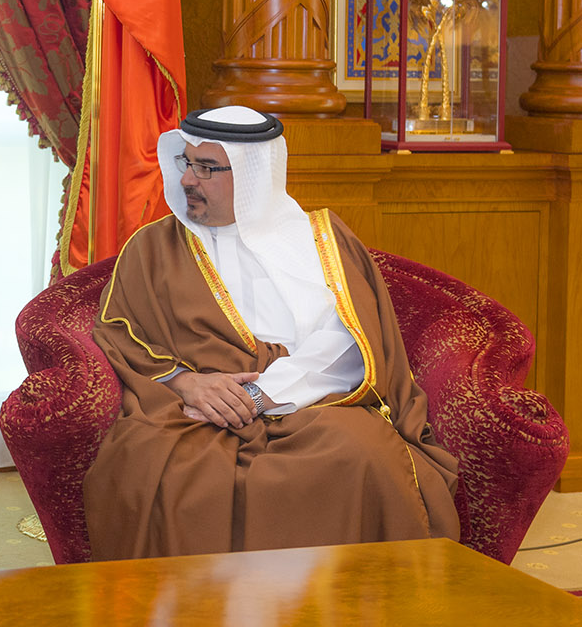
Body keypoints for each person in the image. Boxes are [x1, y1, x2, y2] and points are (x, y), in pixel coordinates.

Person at [83, 105, 460, 559]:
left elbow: (347, 343)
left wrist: (262, 395)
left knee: (363, 453)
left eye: (206, 168)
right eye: (186, 162)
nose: (186, 180)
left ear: (253, 175)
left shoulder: (320, 240)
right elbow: (119, 331)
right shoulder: (152, 248)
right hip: (197, 410)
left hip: (313, 401)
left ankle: (340, 596)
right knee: (158, 466)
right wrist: (187, 383)